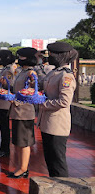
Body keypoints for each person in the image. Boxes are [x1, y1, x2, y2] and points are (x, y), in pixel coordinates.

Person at [38, 42, 78, 177]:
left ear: (60, 56)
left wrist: (43, 103)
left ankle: (63, 189)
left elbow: (64, 101)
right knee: (50, 161)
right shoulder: (55, 72)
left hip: (57, 125)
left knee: (58, 164)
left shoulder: (66, 76)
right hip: (47, 123)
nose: (49, 57)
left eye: (51, 54)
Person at [7, 47, 38, 178]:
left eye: (21, 57)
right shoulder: (21, 72)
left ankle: (24, 168)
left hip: (25, 112)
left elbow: (30, 93)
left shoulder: (31, 73)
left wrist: (15, 101)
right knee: (18, 141)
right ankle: (20, 166)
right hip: (17, 111)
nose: (19, 59)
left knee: (24, 142)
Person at [0, 50, 15, 158]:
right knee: (2, 126)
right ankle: (3, 148)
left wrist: (3, 83)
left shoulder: (10, 69)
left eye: (0, 57)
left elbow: (10, 85)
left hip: (5, 102)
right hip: (1, 101)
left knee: (4, 127)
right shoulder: (5, 69)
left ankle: (5, 149)